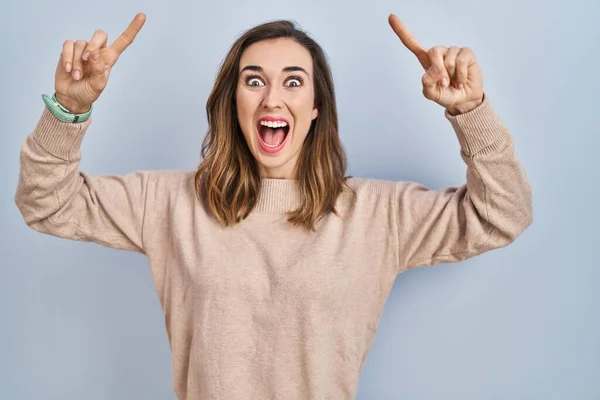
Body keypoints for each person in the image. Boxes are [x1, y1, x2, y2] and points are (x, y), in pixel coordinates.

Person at [14, 11, 533, 400]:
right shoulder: (170, 203)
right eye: (254, 81)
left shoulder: (379, 214)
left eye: (293, 82)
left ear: (314, 109)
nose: (271, 99)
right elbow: (47, 203)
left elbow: (502, 214)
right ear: (233, 101)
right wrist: (70, 109)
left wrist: (472, 113)